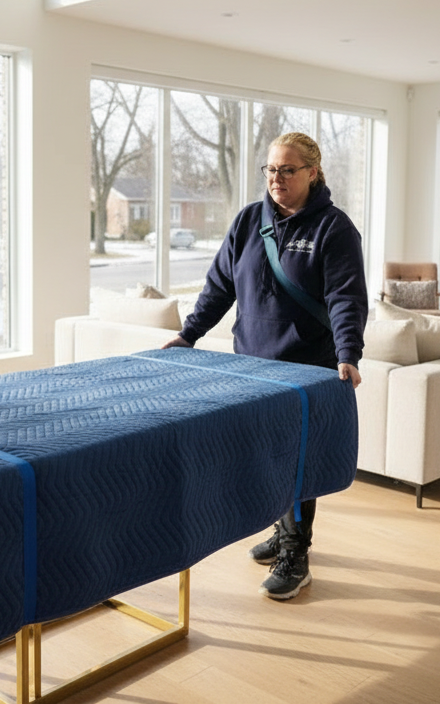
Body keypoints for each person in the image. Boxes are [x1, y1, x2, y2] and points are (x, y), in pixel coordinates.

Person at [163, 131, 366, 601]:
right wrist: (189, 333)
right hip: (251, 366)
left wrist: (347, 354)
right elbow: (219, 285)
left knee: (296, 460)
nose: (276, 178)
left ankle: (298, 552)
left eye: (288, 169)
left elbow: (345, 298)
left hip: (305, 370)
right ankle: (281, 530)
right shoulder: (249, 222)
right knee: (264, 457)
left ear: (313, 173)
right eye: (270, 170)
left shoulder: (333, 229)